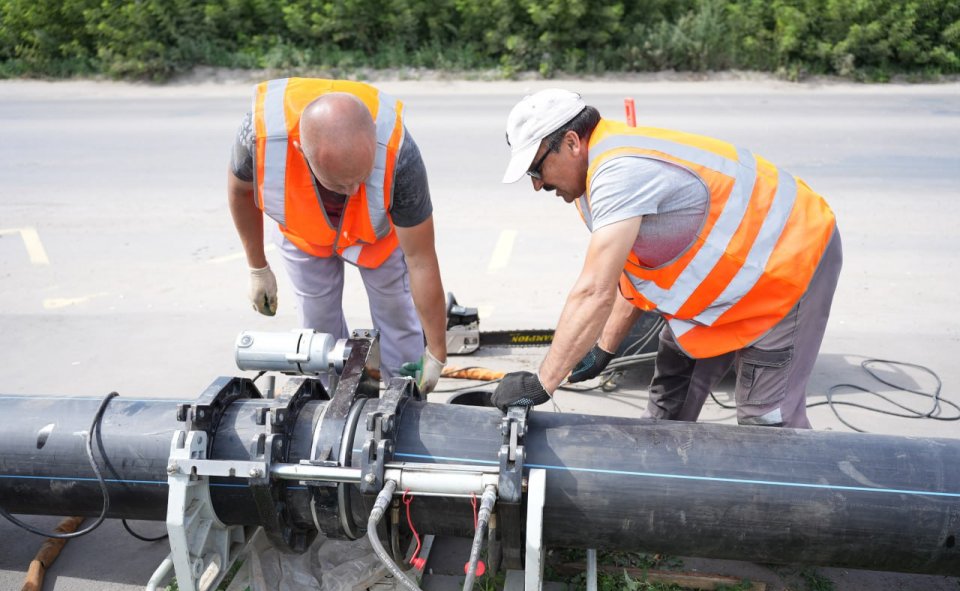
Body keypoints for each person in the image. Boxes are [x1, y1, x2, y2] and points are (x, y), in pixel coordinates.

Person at [491, 89, 842, 429]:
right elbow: (633, 270)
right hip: (726, 284)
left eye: (536, 169)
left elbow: (594, 291)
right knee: (667, 405)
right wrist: (604, 348)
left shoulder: (619, 172)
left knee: (765, 422)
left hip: (787, 261)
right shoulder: (591, 175)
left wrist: (542, 382)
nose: (537, 185)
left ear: (571, 142)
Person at [227, 78, 447, 392]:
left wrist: (436, 352)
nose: (355, 191)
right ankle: (332, 399)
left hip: (377, 237)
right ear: (302, 152)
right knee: (318, 327)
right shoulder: (261, 137)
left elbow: (421, 260)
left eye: (362, 178)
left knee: (396, 315)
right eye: (341, 185)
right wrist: (257, 267)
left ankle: (405, 395)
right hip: (305, 234)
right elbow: (240, 192)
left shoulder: (399, 155)